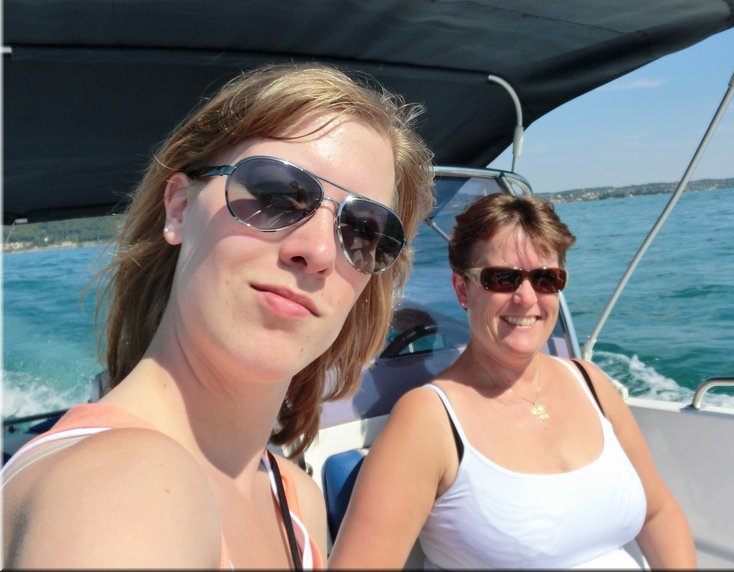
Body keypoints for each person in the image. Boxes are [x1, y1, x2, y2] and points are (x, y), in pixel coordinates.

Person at [1, 63, 434, 569]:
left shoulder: (296, 498)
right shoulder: (123, 487)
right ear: (179, 208)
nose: (318, 251)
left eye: (363, 230)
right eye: (275, 195)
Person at [330, 193, 696, 569]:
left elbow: (658, 514)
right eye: (503, 278)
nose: (526, 298)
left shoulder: (591, 383)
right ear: (462, 290)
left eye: (546, 279)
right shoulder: (429, 420)